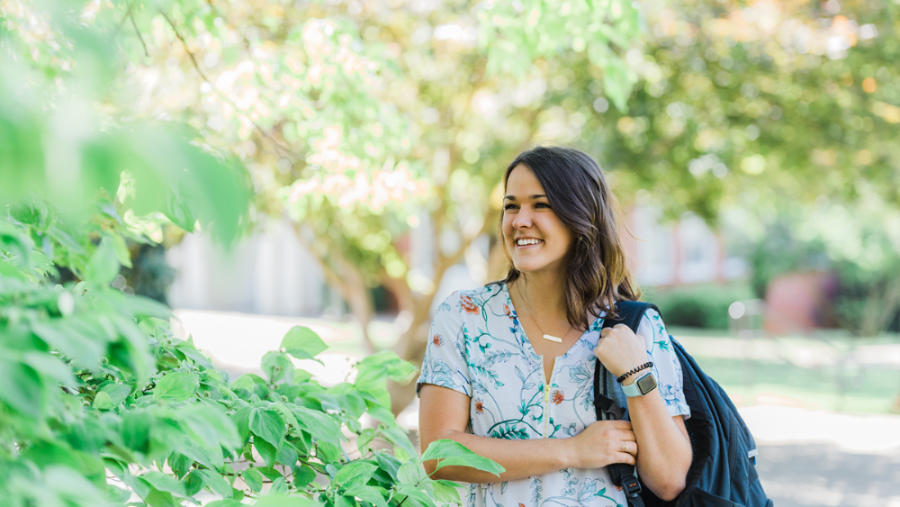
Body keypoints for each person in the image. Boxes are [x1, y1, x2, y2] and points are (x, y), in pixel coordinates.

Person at [416, 146, 693, 507]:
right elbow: (440, 455)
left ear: (581, 217)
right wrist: (573, 451)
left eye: (540, 205)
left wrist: (637, 373)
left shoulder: (634, 326)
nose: (519, 220)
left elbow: (670, 481)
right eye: (511, 205)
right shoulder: (464, 316)